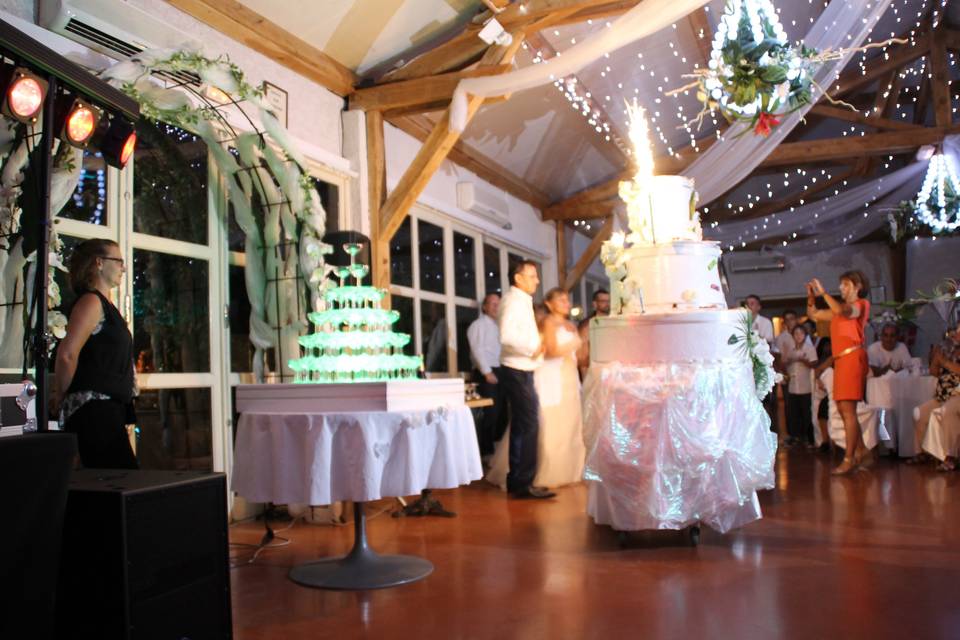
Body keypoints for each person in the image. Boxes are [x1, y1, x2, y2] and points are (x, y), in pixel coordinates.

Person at [487, 288, 585, 489]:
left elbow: (578, 356)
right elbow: (551, 351)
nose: (566, 303)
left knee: (570, 421)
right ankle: (536, 472)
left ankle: (570, 468)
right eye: (560, 299)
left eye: (567, 299)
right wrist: (575, 342)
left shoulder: (570, 325)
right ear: (549, 304)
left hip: (569, 376)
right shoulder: (548, 322)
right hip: (551, 375)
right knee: (548, 420)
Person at [53, 239, 137, 469]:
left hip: (106, 412)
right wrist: (61, 397)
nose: (124, 267)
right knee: (118, 483)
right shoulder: (91, 302)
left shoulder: (106, 305)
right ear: (99, 263)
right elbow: (67, 354)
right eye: (118, 261)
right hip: (94, 413)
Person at [496, 260, 553, 499]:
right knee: (528, 424)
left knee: (524, 424)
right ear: (518, 278)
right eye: (532, 276)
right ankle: (521, 483)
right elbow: (507, 335)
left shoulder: (521, 300)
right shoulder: (512, 300)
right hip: (516, 369)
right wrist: (534, 346)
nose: (537, 281)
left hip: (521, 368)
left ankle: (520, 481)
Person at [806, 270, 871, 475]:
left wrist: (823, 293)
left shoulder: (860, 305)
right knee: (844, 410)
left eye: (845, 284)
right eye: (841, 284)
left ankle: (849, 457)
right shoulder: (837, 310)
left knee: (848, 410)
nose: (841, 288)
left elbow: (844, 311)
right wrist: (811, 296)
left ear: (857, 286)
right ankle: (860, 451)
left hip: (852, 358)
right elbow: (813, 314)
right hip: (841, 360)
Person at [910, 325, 960, 470]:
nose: (955, 336)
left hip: (957, 394)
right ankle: (923, 452)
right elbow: (934, 372)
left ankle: (951, 456)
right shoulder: (949, 351)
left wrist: (945, 362)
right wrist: (936, 358)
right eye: (954, 334)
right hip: (942, 394)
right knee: (918, 413)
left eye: (957, 334)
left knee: (947, 412)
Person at [467, 293, 506, 456]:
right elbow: (477, 349)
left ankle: (496, 449)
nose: (496, 307)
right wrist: (487, 372)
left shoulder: (500, 326)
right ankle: (485, 451)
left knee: (502, 412)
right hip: (486, 372)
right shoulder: (478, 325)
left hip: (501, 369)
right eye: (492, 304)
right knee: (491, 412)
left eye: (498, 304)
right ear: (484, 307)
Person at [745, 294, 777, 430]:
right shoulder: (741, 322)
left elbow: (769, 341)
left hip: (761, 364)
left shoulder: (765, 322)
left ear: (759, 307)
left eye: (753, 304)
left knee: (765, 399)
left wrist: (754, 336)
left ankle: (767, 428)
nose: (749, 307)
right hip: (746, 366)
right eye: (747, 304)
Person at [783, 324, 818, 447]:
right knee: (794, 412)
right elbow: (785, 363)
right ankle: (796, 437)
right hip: (793, 385)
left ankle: (808, 438)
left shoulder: (809, 348)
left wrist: (803, 361)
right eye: (796, 334)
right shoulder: (791, 350)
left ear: (805, 335)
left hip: (806, 386)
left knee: (806, 412)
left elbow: (814, 364)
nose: (798, 336)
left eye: (801, 334)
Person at [775, 310, 801, 441]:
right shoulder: (782, 337)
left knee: (804, 403)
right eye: (787, 319)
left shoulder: (802, 335)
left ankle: (804, 435)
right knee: (790, 405)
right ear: (784, 322)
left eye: (792, 318)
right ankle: (791, 434)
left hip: (803, 373)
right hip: (788, 372)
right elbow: (779, 357)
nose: (790, 321)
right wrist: (783, 373)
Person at [576, 289, 610, 378]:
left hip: (612, 369)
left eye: (608, 301)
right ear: (595, 304)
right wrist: (585, 378)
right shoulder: (587, 325)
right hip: (594, 371)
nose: (607, 304)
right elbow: (583, 355)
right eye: (603, 301)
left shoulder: (613, 322)